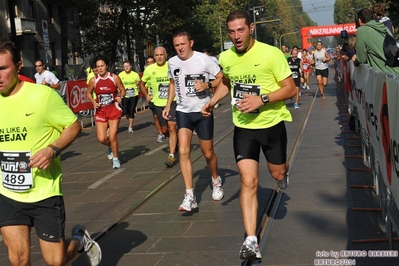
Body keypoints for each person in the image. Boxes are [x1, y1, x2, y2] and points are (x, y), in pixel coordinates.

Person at [200, 10, 296, 260]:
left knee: (278, 173)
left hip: (272, 124)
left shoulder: (271, 53)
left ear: (251, 28)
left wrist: (261, 99)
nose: (236, 36)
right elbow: (227, 83)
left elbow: (290, 89)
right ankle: (250, 240)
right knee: (248, 181)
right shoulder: (226, 56)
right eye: (231, 32)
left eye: (240, 30)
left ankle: (283, 173)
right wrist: (212, 101)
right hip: (244, 127)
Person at [0, 38, 101, 266]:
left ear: (17, 67)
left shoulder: (42, 96)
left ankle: (79, 240)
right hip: (8, 192)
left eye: (2, 68)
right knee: (17, 259)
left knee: (55, 261)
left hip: (44, 192)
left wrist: (52, 149)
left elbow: (74, 125)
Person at [162, 31, 224, 211]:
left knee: (208, 153)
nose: (180, 48)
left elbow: (221, 78)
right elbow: (173, 82)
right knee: (183, 151)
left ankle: (215, 180)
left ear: (191, 43)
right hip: (183, 111)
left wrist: (207, 85)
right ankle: (190, 195)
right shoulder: (172, 62)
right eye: (176, 45)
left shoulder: (205, 60)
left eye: (183, 44)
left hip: (203, 110)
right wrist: (168, 105)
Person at [140, 46, 178, 167]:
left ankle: (171, 155)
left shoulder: (171, 65)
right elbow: (142, 83)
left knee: (172, 127)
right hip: (158, 103)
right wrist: (146, 95)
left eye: (161, 55)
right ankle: (174, 142)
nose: (159, 57)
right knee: (164, 130)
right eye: (156, 55)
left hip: (172, 101)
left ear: (166, 55)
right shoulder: (149, 69)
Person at [86, 55, 126, 169]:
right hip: (101, 110)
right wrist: (93, 102)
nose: (100, 68)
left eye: (102, 66)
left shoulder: (114, 78)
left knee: (112, 136)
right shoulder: (94, 80)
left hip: (113, 109)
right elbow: (88, 93)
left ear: (107, 66)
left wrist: (120, 97)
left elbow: (123, 90)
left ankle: (115, 158)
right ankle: (111, 146)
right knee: (102, 138)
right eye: (98, 67)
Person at [355, 8, 399, 75]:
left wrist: (355, 61)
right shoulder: (383, 27)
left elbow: (361, 59)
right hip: (396, 72)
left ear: (359, 20)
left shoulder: (361, 31)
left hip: (386, 75)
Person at [119, 60, 141, 133]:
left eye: (128, 66)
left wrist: (137, 84)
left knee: (132, 110)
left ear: (131, 66)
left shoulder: (135, 74)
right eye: (125, 66)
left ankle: (130, 127)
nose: (126, 68)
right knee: (125, 111)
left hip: (133, 95)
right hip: (125, 95)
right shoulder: (121, 75)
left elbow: (138, 82)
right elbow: (118, 84)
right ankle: (127, 113)